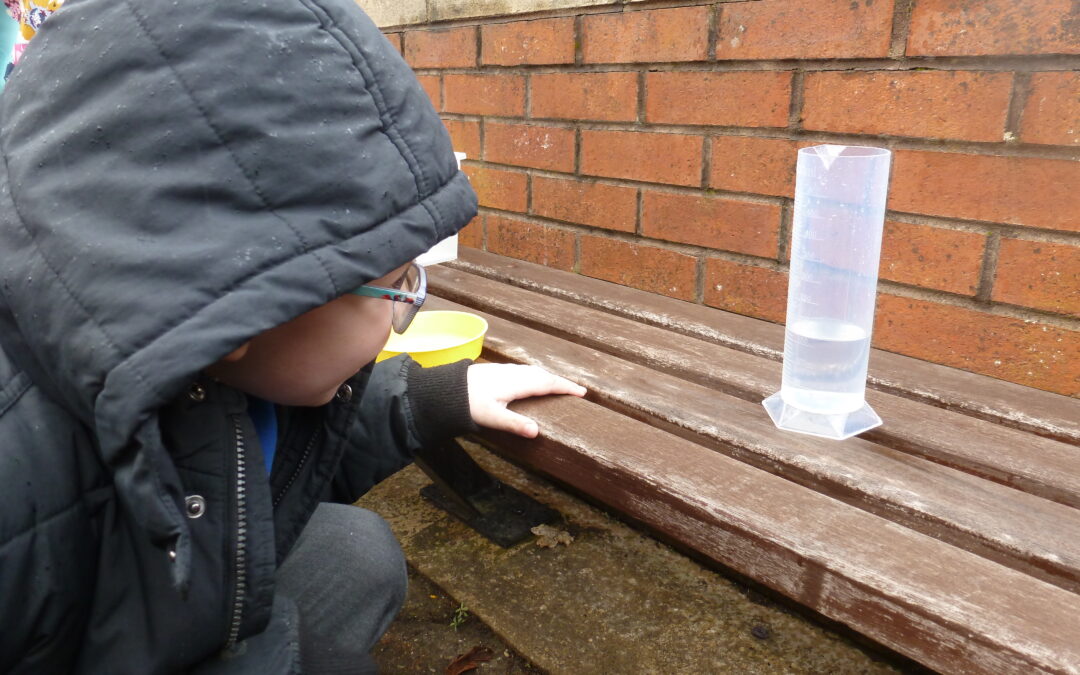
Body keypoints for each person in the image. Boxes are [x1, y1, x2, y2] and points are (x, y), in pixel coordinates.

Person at [0, 0, 585, 672]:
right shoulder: (19, 489)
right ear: (240, 311)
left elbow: (269, 430)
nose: (410, 307)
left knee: (355, 553)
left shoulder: (187, 354)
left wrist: (435, 396)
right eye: (398, 286)